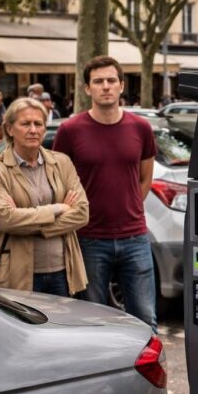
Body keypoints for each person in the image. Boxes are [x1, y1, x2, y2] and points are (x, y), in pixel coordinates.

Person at [53, 55, 158, 332]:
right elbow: (57, 180)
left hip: (135, 237)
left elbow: (145, 177)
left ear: (122, 86)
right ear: (87, 89)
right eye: (98, 81)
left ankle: (147, 376)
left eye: (112, 80)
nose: (106, 86)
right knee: (91, 323)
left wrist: (130, 207)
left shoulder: (141, 128)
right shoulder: (69, 130)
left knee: (145, 320)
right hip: (88, 239)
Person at [0, 97, 89, 296]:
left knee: (63, 326)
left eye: (38, 124)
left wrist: (34, 226)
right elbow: (7, 220)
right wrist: (57, 209)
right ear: (10, 129)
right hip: (17, 274)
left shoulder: (62, 162)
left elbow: (82, 213)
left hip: (63, 271)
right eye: (25, 123)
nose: (33, 129)